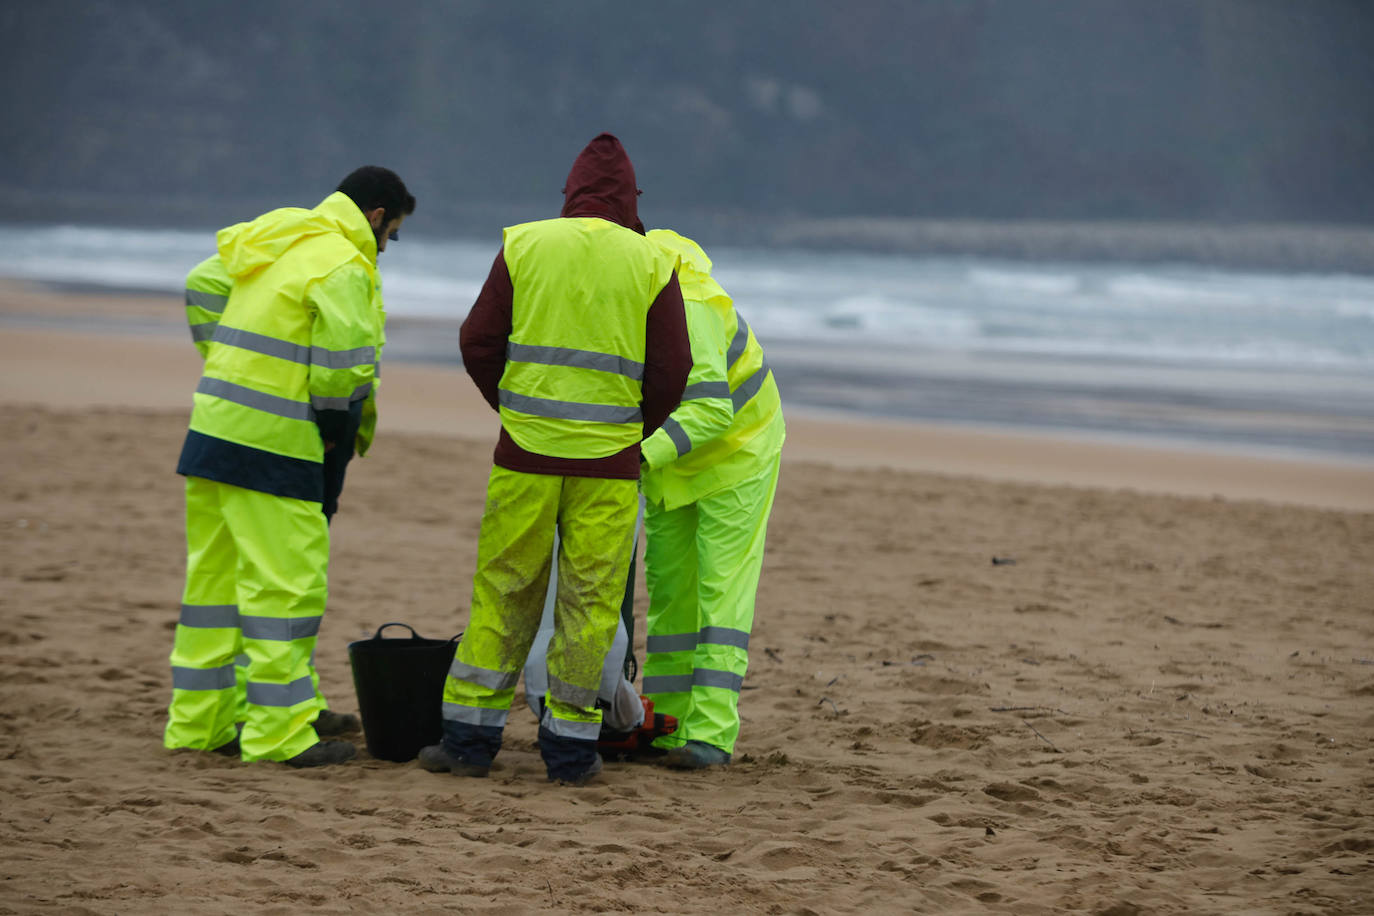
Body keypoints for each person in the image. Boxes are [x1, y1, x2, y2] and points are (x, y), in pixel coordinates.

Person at [420, 133, 691, 785]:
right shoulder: (652, 261)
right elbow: (672, 368)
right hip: (608, 467)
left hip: (525, 458)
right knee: (590, 604)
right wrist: (630, 431)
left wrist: (515, 411)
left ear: (568, 193)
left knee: (504, 590)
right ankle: (570, 752)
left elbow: (477, 339)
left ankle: (468, 742)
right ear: (630, 200)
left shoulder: (525, 243)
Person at [164, 166, 416, 767]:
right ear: (377, 216)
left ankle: (200, 726)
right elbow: (341, 371)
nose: (387, 248)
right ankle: (279, 734)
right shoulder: (344, 265)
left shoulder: (280, 235)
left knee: (213, 589)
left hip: (214, 428)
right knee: (286, 588)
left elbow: (202, 282)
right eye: (393, 234)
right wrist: (334, 433)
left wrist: (225, 357)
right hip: (278, 445)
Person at [637, 228, 785, 769]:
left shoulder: (690, 302)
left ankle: (711, 736)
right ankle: (667, 726)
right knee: (673, 591)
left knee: (721, 592)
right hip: (675, 461)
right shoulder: (629, 289)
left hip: (737, 455)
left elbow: (711, 411)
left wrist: (636, 457)